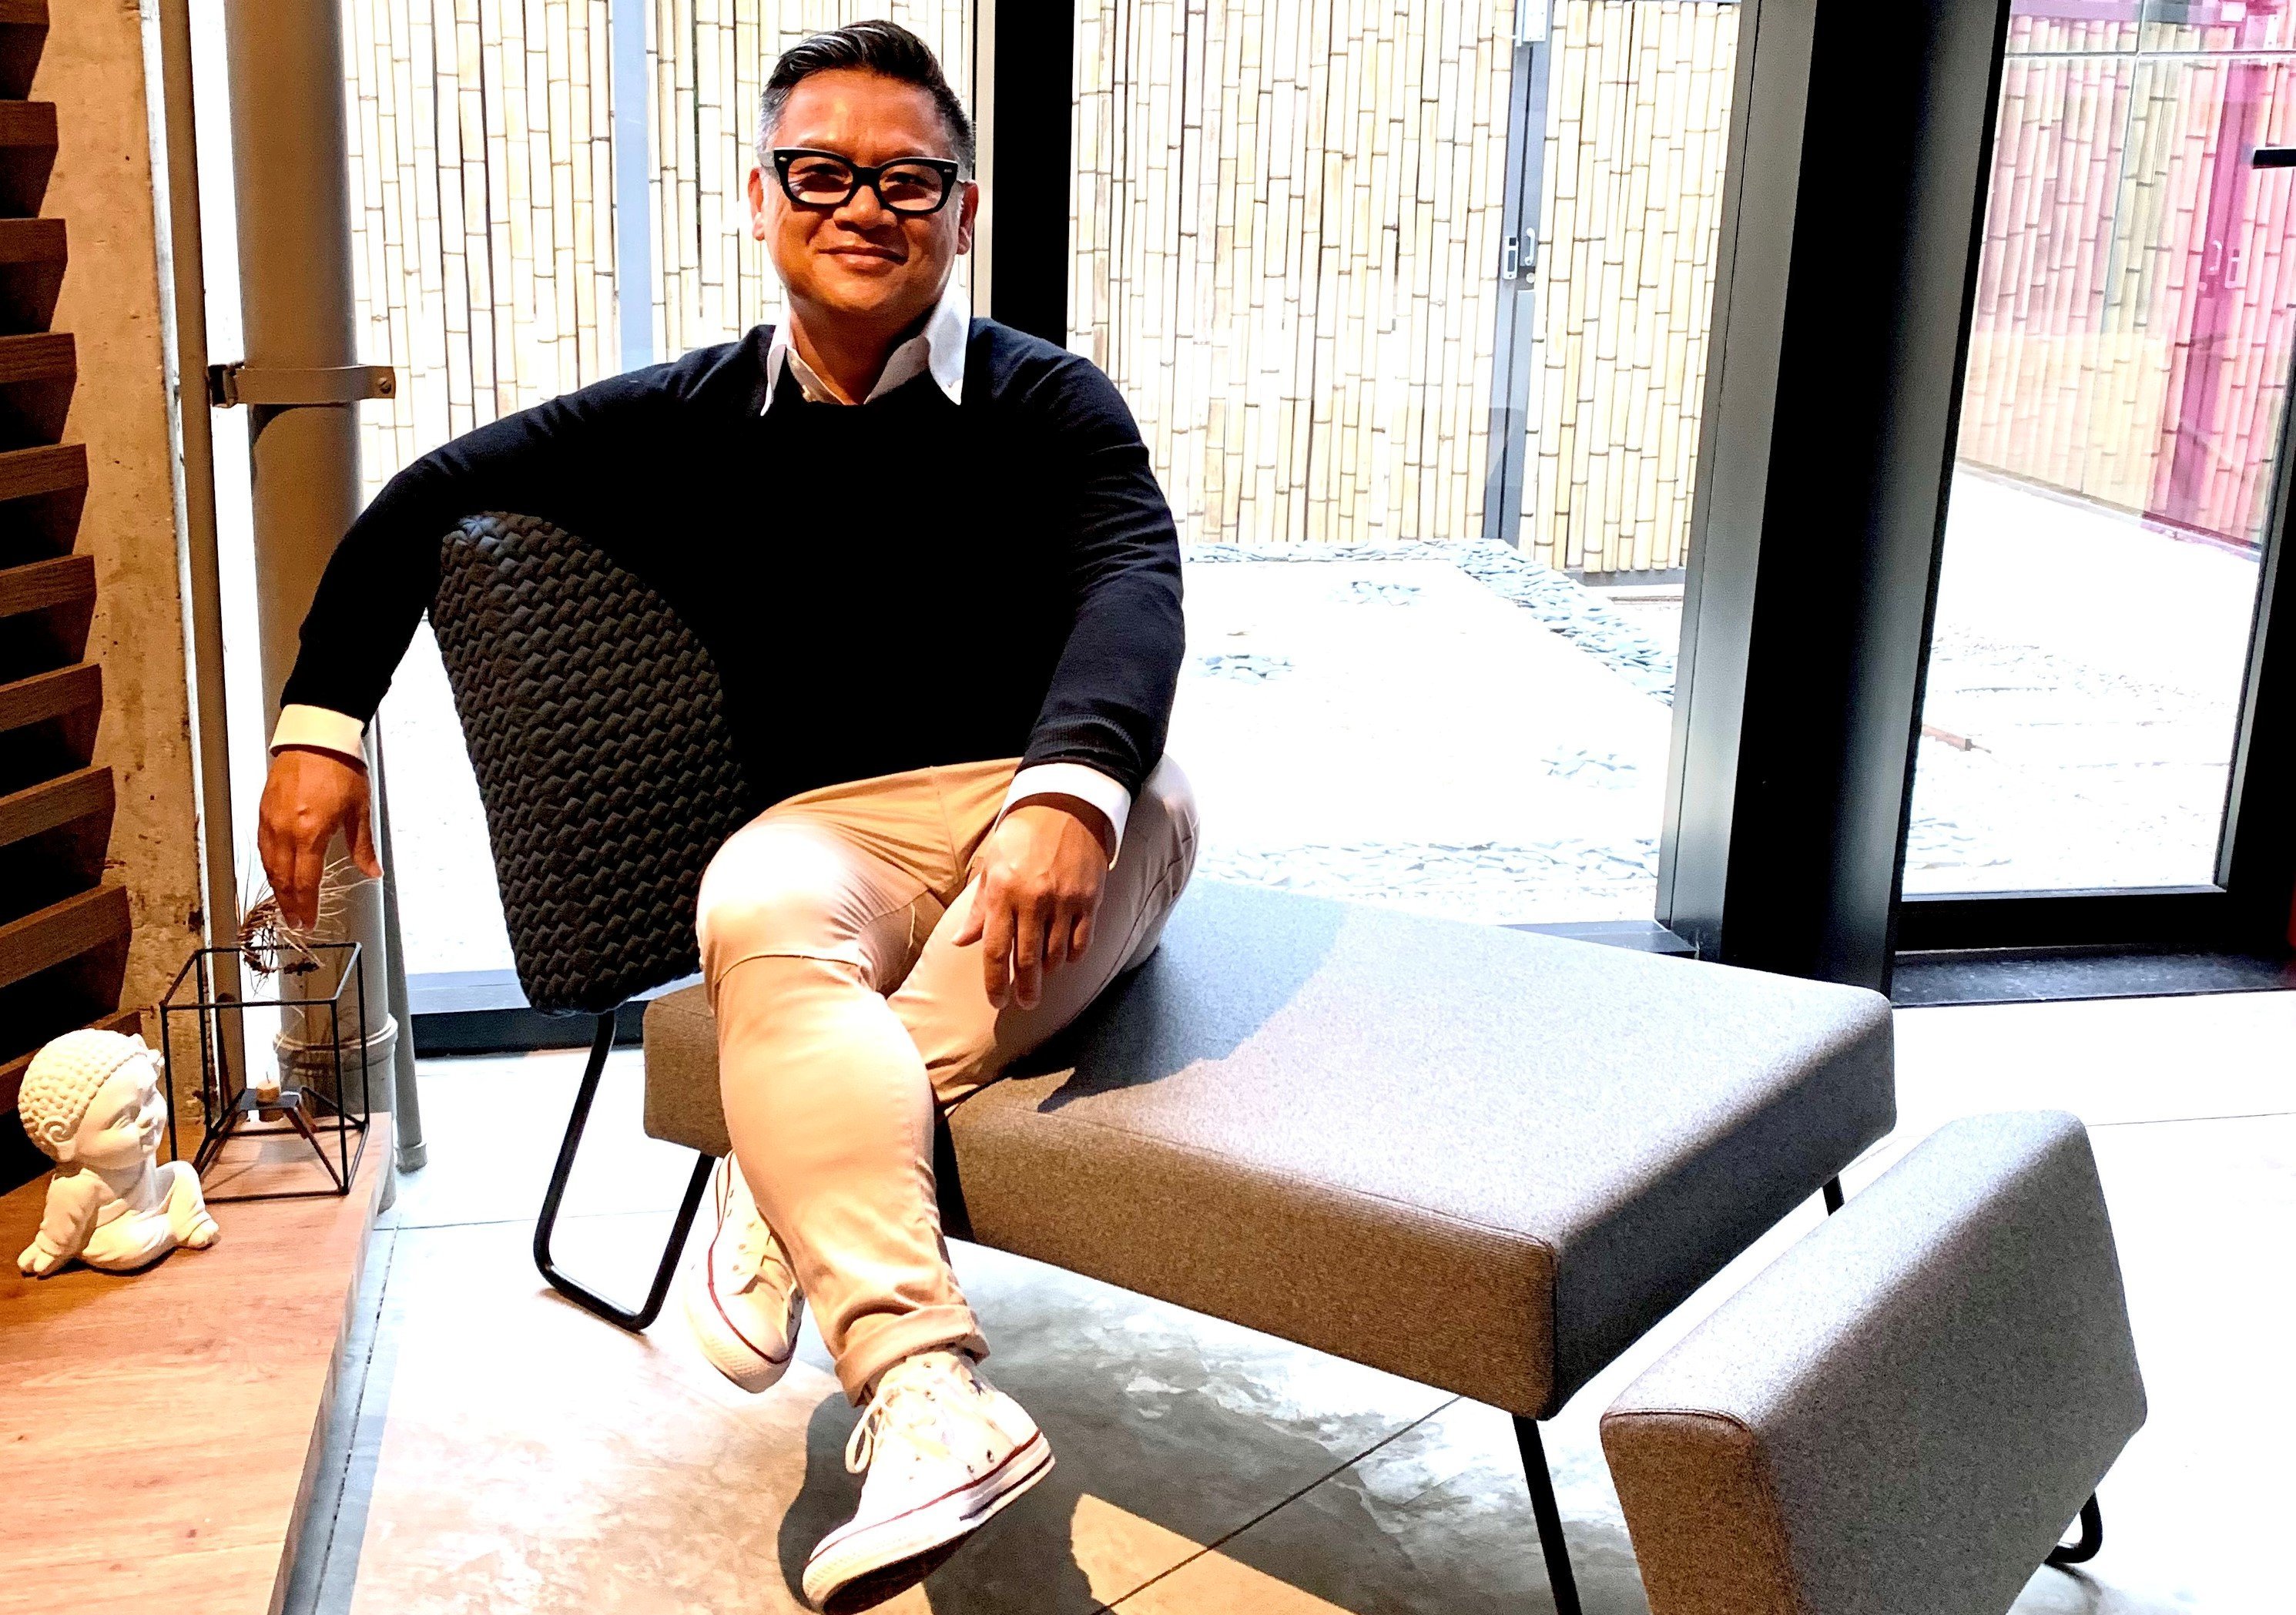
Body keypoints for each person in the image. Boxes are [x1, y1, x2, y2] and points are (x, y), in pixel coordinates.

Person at [255, 21, 1193, 1609]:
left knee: (1032, 866)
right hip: (844, 831)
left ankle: (796, 1189)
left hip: (1067, 805)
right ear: (759, 198)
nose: (864, 205)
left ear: (962, 212)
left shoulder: (1051, 401)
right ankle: (933, 1397)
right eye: (820, 171)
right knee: (753, 895)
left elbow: (1131, 578)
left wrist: (1072, 787)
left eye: (909, 178)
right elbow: (425, 497)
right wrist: (323, 721)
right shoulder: (688, 414)